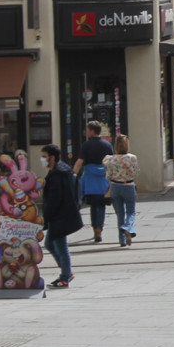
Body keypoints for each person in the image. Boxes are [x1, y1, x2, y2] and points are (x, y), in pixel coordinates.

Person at [40, 143, 82, 288]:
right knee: (50, 244)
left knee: (60, 247)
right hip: (60, 215)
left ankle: (65, 276)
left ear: (52, 158)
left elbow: (54, 200)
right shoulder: (58, 170)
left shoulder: (58, 174)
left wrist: (46, 217)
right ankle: (66, 272)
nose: (42, 160)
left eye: (44, 157)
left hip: (60, 216)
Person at [72, 121, 113, 243]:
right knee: (101, 205)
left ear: (92, 131)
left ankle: (95, 227)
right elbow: (111, 162)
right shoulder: (107, 145)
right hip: (103, 179)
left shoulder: (86, 145)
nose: (87, 132)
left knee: (93, 205)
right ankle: (99, 228)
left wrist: (73, 175)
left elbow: (79, 162)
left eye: (88, 130)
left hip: (90, 179)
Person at [103, 133, 140, 246]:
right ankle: (128, 228)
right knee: (131, 211)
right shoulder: (132, 158)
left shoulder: (111, 159)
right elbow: (136, 173)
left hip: (115, 187)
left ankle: (122, 240)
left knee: (120, 213)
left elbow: (108, 176)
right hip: (128, 186)